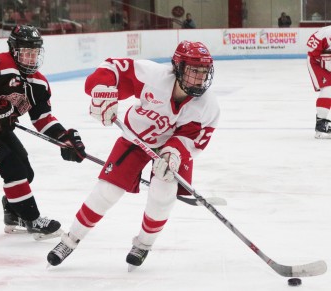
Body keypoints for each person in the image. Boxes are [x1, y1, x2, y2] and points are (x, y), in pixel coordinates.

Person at [47, 40, 220, 270]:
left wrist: (173, 155)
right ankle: (70, 240)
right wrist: (103, 92)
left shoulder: (207, 106)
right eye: (193, 71)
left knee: (163, 193)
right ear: (178, 67)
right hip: (136, 138)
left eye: (203, 72)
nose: (199, 78)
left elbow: (192, 140)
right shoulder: (154, 76)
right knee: (106, 191)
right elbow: (111, 69)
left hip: (171, 149)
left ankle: (144, 245)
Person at [0, 25, 87, 238]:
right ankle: (32, 220)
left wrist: (63, 138)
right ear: (14, 49)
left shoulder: (38, 84)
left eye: (34, 53)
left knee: (25, 172)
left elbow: (42, 118)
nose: (31, 58)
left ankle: (13, 214)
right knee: (13, 170)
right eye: (26, 53)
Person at [307, 26, 331, 138]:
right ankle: (321, 127)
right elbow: (311, 48)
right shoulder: (326, 33)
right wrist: (325, 59)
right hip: (316, 63)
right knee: (328, 88)